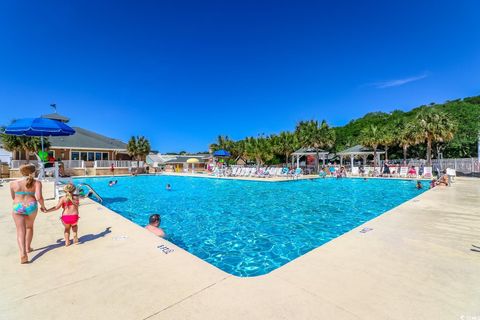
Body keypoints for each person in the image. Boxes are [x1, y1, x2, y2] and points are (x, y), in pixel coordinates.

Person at [10, 164, 47, 264]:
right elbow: (39, 197)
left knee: (20, 231)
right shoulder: (37, 182)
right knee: (29, 227)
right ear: (33, 172)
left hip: (18, 206)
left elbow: (13, 197)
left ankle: (23, 253)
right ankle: (27, 248)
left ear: (21, 172)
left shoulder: (13, 183)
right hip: (31, 206)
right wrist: (43, 207)